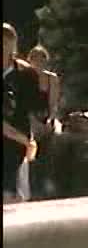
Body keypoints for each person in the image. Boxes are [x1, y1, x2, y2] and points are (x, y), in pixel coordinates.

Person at [3, 23, 44, 204]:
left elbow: (34, 108)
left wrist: (29, 139)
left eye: (5, 42)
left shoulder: (26, 74)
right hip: (16, 137)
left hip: (17, 142)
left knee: (15, 194)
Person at [26, 45, 61, 198]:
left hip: (46, 117)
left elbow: (53, 104)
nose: (39, 63)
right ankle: (32, 188)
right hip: (29, 119)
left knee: (49, 145)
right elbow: (24, 105)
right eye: (35, 60)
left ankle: (48, 185)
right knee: (31, 150)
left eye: (42, 60)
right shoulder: (25, 79)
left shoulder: (52, 79)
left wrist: (50, 120)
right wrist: (33, 122)